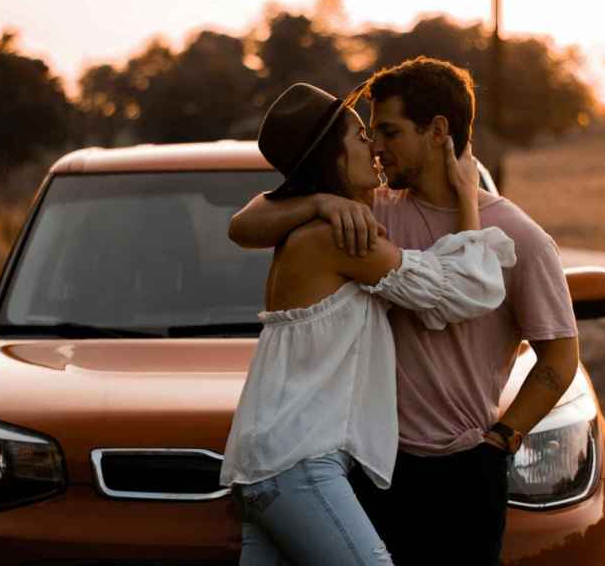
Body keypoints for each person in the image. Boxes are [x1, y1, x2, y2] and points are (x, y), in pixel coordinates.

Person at [228, 57, 580, 565]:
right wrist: (319, 204)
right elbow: (246, 223)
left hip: (467, 466)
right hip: (374, 466)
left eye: (388, 131)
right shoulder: (367, 214)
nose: (375, 146)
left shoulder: (522, 237)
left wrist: (501, 441)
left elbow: (560, 355)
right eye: (368, 134)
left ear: (437, 131)